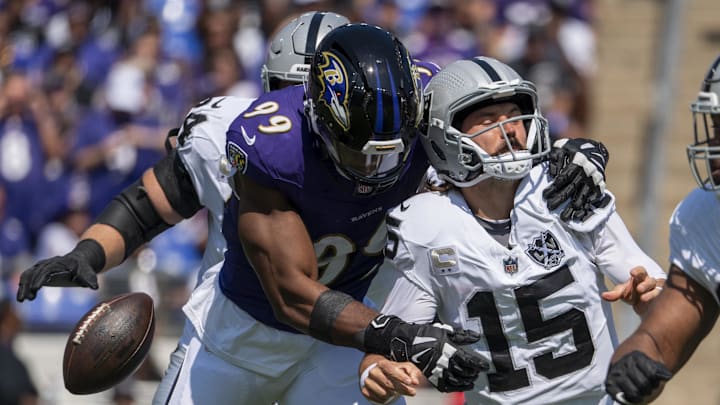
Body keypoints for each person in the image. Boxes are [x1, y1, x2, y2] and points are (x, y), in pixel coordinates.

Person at [17, 17, 609, 405]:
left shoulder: (418, 106)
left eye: (391, 147)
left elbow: (493, 141)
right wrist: (90, 251)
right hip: (239, 335)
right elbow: (168, 202)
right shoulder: (259, 141)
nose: (376, 166)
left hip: (343, 344)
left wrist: (566, 154)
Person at [357, 56, 666, 405]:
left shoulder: (566, 188)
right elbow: (391, 343)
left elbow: (655, 287)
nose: (511, 130)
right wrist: (376, 371)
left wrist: (650, 295)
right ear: (445, 136)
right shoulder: (425, 225)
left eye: (514, 116)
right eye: (488, 120)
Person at [604, 55, 720, 405]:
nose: (715, 153)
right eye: (716, 130)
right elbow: (658, 341)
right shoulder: (706, 216)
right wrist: (636, 363)